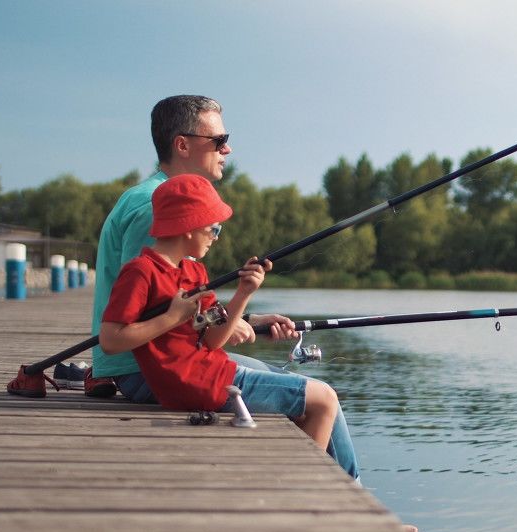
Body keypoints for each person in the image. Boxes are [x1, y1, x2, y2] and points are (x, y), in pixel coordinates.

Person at [89, 95, 359, 478]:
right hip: (148, 369)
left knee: (305, 392)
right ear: (182, 144)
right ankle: (345, 497)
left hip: (170, 358)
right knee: (312, 393)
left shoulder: (160, 198)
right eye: (218, 140)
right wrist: (226, 322)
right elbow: (157, 309)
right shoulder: (156, 207)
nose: (227, 148)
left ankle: (343, 495)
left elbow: (180, 305)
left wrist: (246, 315)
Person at [99, 175, 345, 450]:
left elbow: (213, 340)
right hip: (197, 384)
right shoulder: (141, 271)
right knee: (325, 399)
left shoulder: (194, 272)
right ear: (189, 225)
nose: (216, 238)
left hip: (213, 373)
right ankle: (312, 490)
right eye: (214, 229)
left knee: (308, 405)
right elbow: (110, 340)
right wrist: (171, 317)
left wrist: (244, 292)